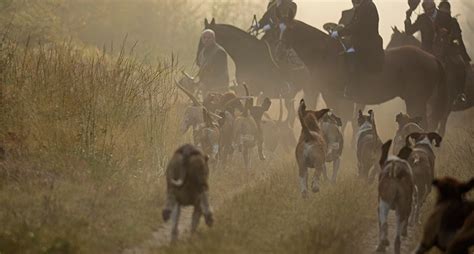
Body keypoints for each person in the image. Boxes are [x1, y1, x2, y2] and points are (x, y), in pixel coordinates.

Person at [330, 0, 384, 98]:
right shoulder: (362, 6)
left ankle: (354, 87)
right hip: (361, 41)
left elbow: (356, 26)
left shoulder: (367, 6)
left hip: (368, 43)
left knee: (349, 56)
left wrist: (339, 33)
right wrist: (339, 30)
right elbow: (351, 24)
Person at [434, 0, 470, 103]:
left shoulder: (453, 22)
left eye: (446, 10)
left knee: (461, 66)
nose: (444, 12)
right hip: (436, 50)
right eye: (442, 10)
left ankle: (460, 93)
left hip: (451, 51)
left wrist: (464, 56)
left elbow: (458, 38)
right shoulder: (434, 22)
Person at [196, 29, 230, 95]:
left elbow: (219, 72)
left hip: (219, 86)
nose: (206, 39)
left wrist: (205, 83)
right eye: (204, 38)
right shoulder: (202, 52)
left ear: (213, 39)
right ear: (202, 40)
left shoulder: (219, 52)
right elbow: (201, 69)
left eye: (209, 38)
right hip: (205, 86)